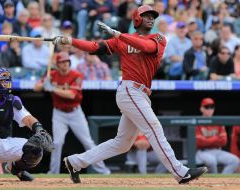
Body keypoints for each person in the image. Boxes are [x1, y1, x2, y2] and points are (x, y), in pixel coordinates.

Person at [52, 5, 208, 184]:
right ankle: (181, 172)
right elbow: (95, 46)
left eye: (152, 16)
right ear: (136, 19)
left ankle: (75, 162)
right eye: (146, 15)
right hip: (129, 90)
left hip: (140, 93)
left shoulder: (158, 37)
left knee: (122, 143)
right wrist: (69, 41)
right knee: (154, 128)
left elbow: (146, 46)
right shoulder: (122, 40)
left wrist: (119, 35)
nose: (151, 19)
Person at [34, 52, 111, 175]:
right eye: (62, 62)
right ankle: (53, 172)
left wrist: (53, 88)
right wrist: (44, 83)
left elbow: (71, 95)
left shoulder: (76, 75)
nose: (65, 64)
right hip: (59, 113)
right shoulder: (52, 75)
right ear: (57, 64)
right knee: (57, 143)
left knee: (88, 142)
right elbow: (35, 88)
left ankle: (103, 171)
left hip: (75, 112)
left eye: (66, 62)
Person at [0, 68, 53, 181]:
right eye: (2, 81)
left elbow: (27, 118)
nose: (6, 84)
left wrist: (39, 128)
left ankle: (15, 168)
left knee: (35, 150)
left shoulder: (11, 101)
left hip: (0, 145)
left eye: (7, 81)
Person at [195, 97, 240, 174]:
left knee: (235, 161)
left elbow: (224, 141)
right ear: (201, 109)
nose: (210, 109)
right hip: (202, 152)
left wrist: (207, 140)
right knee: (212, 161)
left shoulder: (217, 121)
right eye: (207, 107)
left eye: (212, 107)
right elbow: (199, 142)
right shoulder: (197, 122)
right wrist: (216, 138)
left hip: (217, 151)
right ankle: (214, 183)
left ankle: (223, 180)